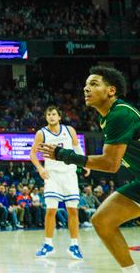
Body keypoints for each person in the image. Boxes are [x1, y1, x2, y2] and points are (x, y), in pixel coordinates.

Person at [38, 66, 140, 273]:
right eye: (85, 85)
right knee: (102, 221)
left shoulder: (120, 114)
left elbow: (111, 164)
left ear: (111, 90)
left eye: (93, 84)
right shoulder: (108, 117)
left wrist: (64, 155)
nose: (86, 89)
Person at [31, 105, 87, 260]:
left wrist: (85, 164)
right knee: (51, 210)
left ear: (59, 116)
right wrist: (40, 169)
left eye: (54, 114)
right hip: (52, 175)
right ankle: (48, 244)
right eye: (48, 114)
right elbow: (32, 154)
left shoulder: (69, 130)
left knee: (73, 210)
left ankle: (74, 245)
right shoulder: (41, 133)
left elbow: (77, 148)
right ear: (46, 117)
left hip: (69, 175)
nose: (51, 116)